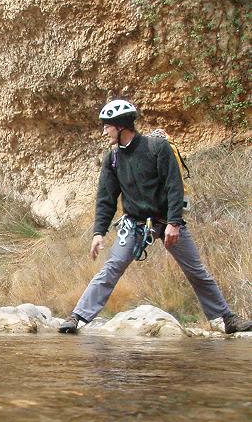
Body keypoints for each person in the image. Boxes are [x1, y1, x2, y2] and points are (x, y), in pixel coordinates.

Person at [58, 99, 252, 335]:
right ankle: (77, 318)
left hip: (166, 221)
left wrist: (174, 223)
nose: (104, 131)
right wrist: (99, 232)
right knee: (112, 267)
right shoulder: (113, 159)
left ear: (121, 126)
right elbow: (106, 199)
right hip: (135, 225)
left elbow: (174, 187)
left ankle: (225, 318)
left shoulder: (156, 148)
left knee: (195, 270)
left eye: (107, 126)